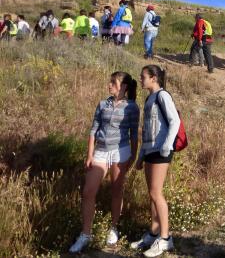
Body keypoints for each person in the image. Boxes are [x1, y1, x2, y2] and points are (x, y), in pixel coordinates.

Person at [69, 72, 140, 253]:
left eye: (113, 82)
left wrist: (132, 155)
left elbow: (133, 133)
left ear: (123, 86)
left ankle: (114, 227)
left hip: (120, 151)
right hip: (100, 151)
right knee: (88, 191)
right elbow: (93, 130)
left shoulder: (132, 107)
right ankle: (86, 234)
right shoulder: (102, 104)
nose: (109, 85)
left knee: (117, 189)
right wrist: (89, 155)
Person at [131, 65, 180, 257]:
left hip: (161, 151)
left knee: (156, 193)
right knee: (152, 194)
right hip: (150, 150)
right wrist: (141, 156)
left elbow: (174, 121)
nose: (140, 79)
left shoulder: (162, 96)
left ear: (153, 78)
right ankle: (153, 233)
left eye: (143, 76)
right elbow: (147, 129)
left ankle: (166, 238)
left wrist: (167, 146)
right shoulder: (149, 98)